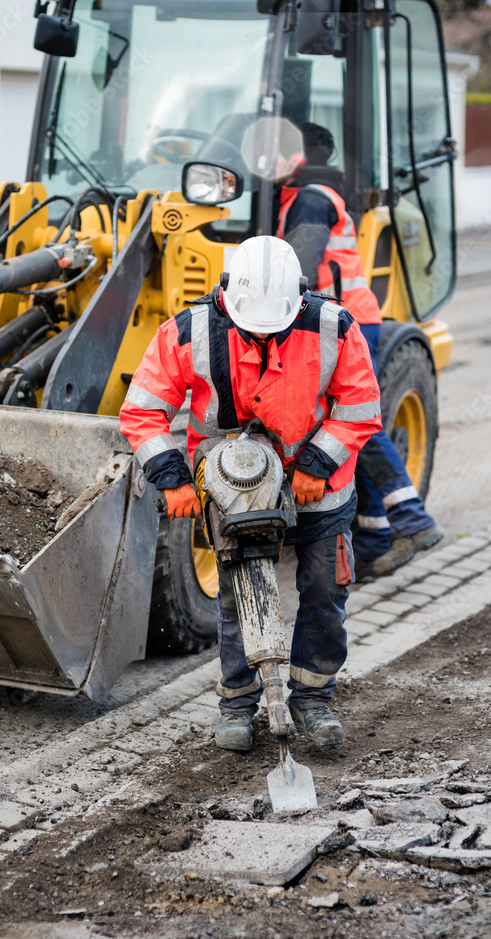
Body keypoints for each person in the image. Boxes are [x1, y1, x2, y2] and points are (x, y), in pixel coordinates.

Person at [120, 236, 381, 752]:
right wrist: (172, 479)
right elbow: (143, 411)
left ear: (300, 299)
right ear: (225, 297)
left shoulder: (334, 327)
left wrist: (317, 464)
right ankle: (237, 703)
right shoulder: (189, 331)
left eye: (274, 327)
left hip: (320, 491)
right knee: (239, 599)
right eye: (250, 326)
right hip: (233, 487)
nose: (262, 334)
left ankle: (313, 698)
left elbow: (360, 406)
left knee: (325, 595)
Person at [277, 122, 442, 580]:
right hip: (345, 317)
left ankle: (412, 519)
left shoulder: (309, 198)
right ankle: (374, 539)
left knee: (354, 425)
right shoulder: (306, 194)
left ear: (296, 158)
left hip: (343, 321)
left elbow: (296, 269)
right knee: (346, 429)